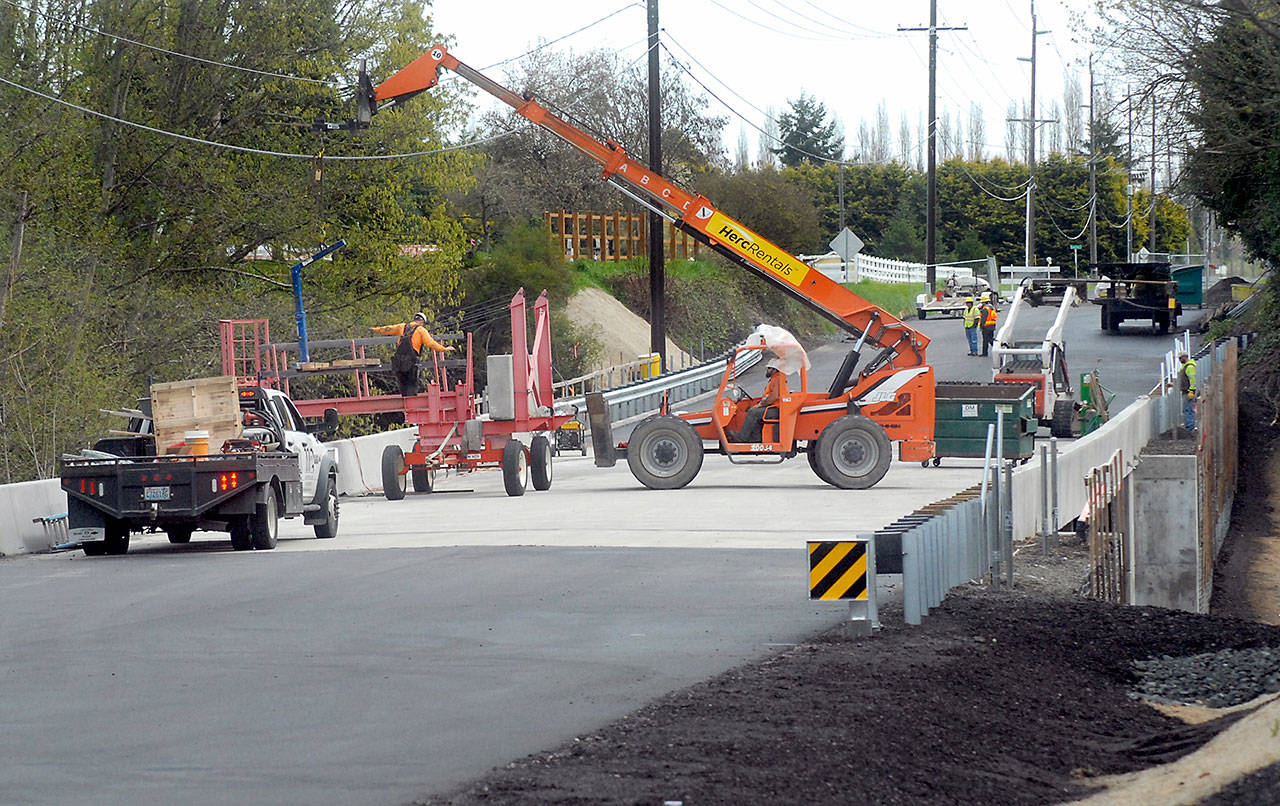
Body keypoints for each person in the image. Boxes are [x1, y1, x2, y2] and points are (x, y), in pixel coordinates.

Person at [371, 312, 453, 396]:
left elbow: (387, 329)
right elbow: (431, 344)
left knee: (403, 389)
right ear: (422, 322)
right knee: (411, 388)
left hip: (398, 363)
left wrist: (375, 329)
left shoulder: (402, 327)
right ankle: (411, 406)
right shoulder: (421, 330)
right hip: (411, 363)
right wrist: (444, 349)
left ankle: (405, 405)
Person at [727, 365, 786, 444]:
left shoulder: (777, 379)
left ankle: (742, 437)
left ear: (774, 369)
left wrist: (760, 404)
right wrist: (759, 404)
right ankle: (756, 438)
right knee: (754, 410)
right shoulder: (775, 379)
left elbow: (773, 397)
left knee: (752, 412)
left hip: (776, 409)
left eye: (769, 368)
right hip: (774, 407)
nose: (767, 370)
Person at [1178, 351, 1197, 430]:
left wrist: (1191, 391)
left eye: (1180, 358)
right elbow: (1184, 379)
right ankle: (1189, 426)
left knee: (1188, 409)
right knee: (1186, 409)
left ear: (1185, 357)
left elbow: (1192, 380)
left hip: (1188, 392)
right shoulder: (1185, 367)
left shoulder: (1189, 367)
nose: (1179, 360)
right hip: (1186, 391)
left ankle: (1190, 428)